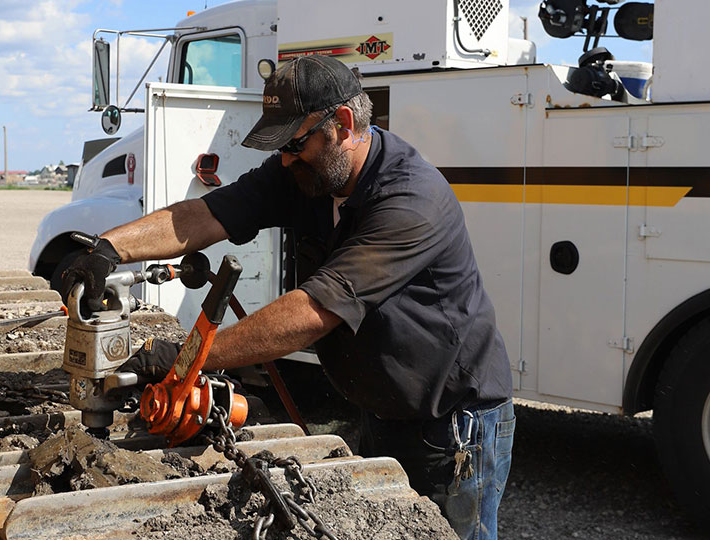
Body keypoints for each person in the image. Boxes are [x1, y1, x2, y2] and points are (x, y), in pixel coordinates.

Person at [62, 54, 515, 540]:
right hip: (386, 408)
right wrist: (109, 248)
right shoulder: (306, 174)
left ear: (342, 124)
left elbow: (315, 310)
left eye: (295, 144)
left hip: (454, 423)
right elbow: (206, 214)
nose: (284, 159)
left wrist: (190, 357)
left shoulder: (411, 199)